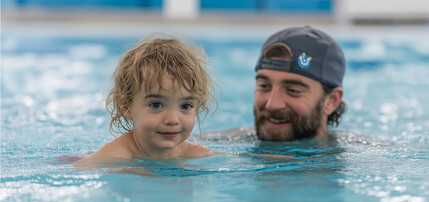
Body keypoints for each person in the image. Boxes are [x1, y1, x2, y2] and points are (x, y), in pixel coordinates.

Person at [78, 34, 218, 164]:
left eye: (186, 106)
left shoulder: (194, 153)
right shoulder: (113, 157)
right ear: (126, 106)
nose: (173, 120)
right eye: (156, 105)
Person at [209, 26, 346, 142]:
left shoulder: (360, 155)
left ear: (331, 101)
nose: (272, 105)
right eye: (264, 86)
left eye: (293, 90)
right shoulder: (222, 143)